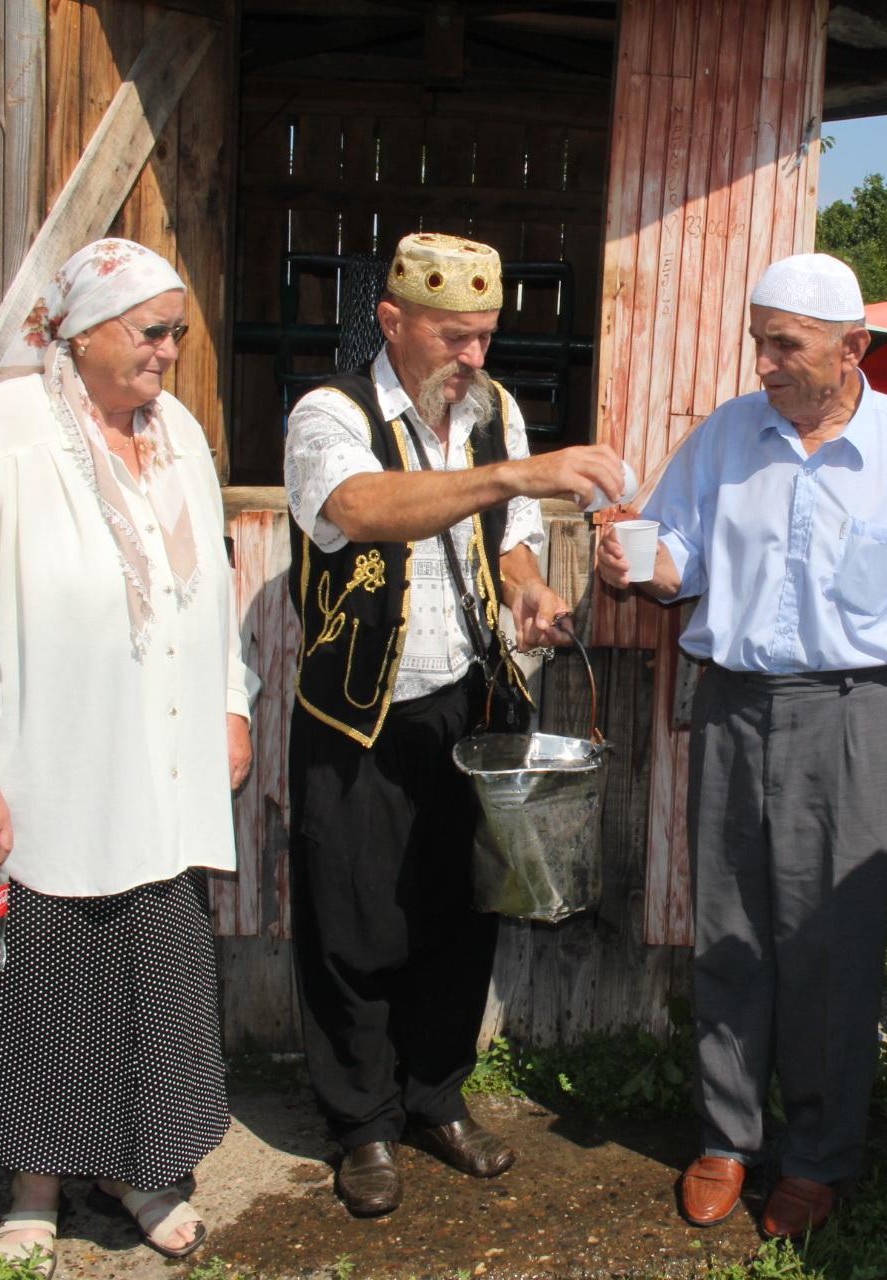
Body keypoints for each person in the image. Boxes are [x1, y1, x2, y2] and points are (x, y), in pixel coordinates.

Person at [595, 252, 887, 1241]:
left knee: (835, 946)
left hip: (865, 715)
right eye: (759, 340)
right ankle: (730, 1136)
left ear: (851, 348)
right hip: (734, 702)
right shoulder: (730, 435)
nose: (763, 362)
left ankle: (817, 1154)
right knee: (730, 929)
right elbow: (676, 551)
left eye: (786, 344)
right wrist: (635, 558)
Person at [0, 238, 254, 1276]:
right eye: (153, 331)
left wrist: (229, 702)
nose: (172, 352)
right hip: (43, 760)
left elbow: (210, 588)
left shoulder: (177, 430)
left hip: (159, 763)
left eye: (179, 331)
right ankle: (36, 1181)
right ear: (82, 330)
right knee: (41, 980)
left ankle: (139, 1169)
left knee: (153, 975)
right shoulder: (1, 430)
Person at [283, 232, 627, 1218]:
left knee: (459, 912)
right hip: (359, 713)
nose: (473, 358)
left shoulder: (497, 411)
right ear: (391, 321)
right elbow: (360, 506)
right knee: (353, 920)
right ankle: (363, 1124)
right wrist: (515, 477)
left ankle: (435, 1095)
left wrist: (530, 591)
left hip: (472, 702)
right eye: (453, 336)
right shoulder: (330, 412)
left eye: (484, 337)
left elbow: (511, 546)